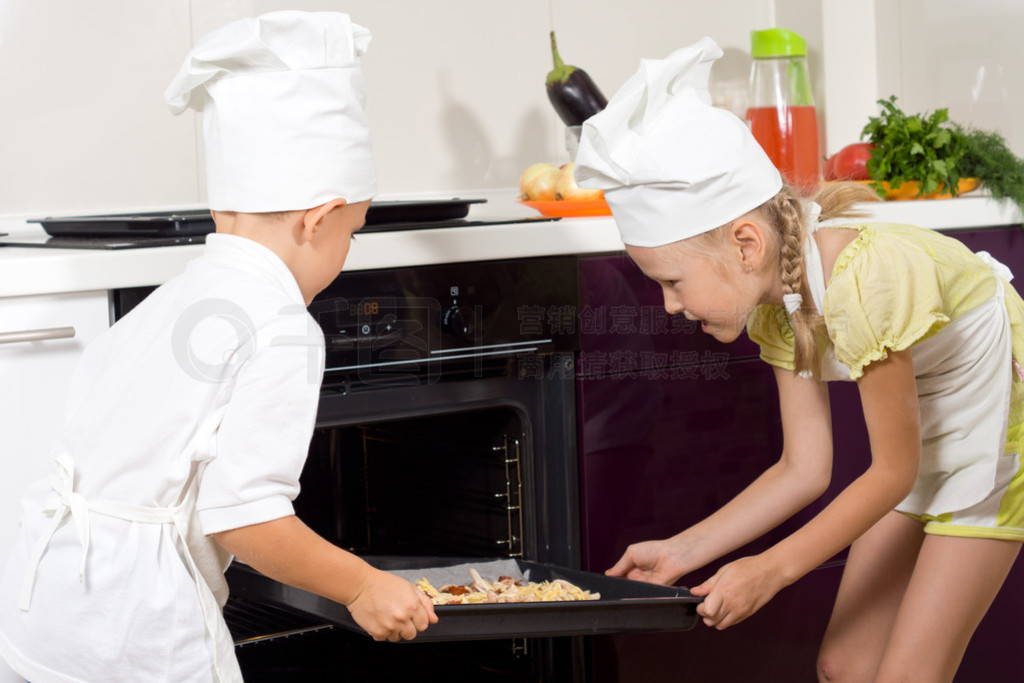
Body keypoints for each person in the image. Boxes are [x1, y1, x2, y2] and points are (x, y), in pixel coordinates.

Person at [0, 11, 436, 682]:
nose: (347, 251)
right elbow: (245, 518)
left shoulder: (174, 299)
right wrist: (360, 584)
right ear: (317, 218)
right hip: (138, 629)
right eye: (352, 231)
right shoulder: (283, 324)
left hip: (50, 610)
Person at [574, 37, 1024, 682]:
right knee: (845, 665)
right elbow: (804, 468)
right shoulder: (776, 304)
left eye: (673, 282)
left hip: (997, 431)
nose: (669, 306)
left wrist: (771, 570)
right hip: (923, 431)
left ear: (747, 243)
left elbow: (892, 470)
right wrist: (684, 550)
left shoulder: (867, 280)